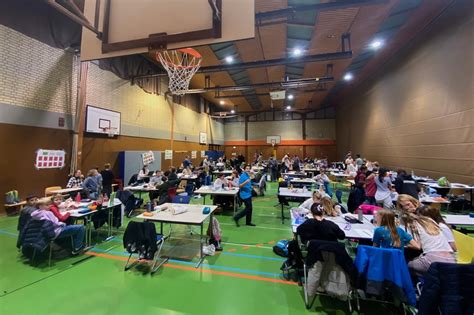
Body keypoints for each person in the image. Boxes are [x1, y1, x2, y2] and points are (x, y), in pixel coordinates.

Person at [400, 210, 456, 276]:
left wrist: (404, 244)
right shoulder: (430, 221)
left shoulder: (413, 226)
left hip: (432, 260)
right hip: (451, 259)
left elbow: (417, 246)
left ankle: (415, 283)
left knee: (404, 264)